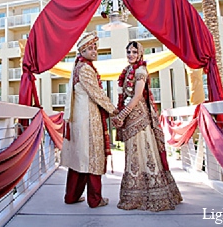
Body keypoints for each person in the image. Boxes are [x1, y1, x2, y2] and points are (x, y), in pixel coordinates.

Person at [111, 41, 183, 211]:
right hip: (130, 118)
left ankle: (152, 193)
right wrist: (120, 113)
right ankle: (135, 193)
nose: (130, 54)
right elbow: (125, 95)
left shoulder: (141, 70)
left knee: (143, 150)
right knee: (132, 153)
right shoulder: (128, 70)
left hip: (140, 117)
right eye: (128, 51)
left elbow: (136, 96)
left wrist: (121, 114)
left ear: (140, 53)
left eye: (134, 52)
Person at [61, 31, 119, 208]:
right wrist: (114, 111)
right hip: (87, 120)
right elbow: (97, 94)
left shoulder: (80, 66)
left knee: (79, 159)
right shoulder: (85, 69)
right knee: (93, 158)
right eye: (91, 48)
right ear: (82, 51)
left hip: (81, 120)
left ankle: (71, 196)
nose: (95, 51)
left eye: (95, 48)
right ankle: (95, 199)